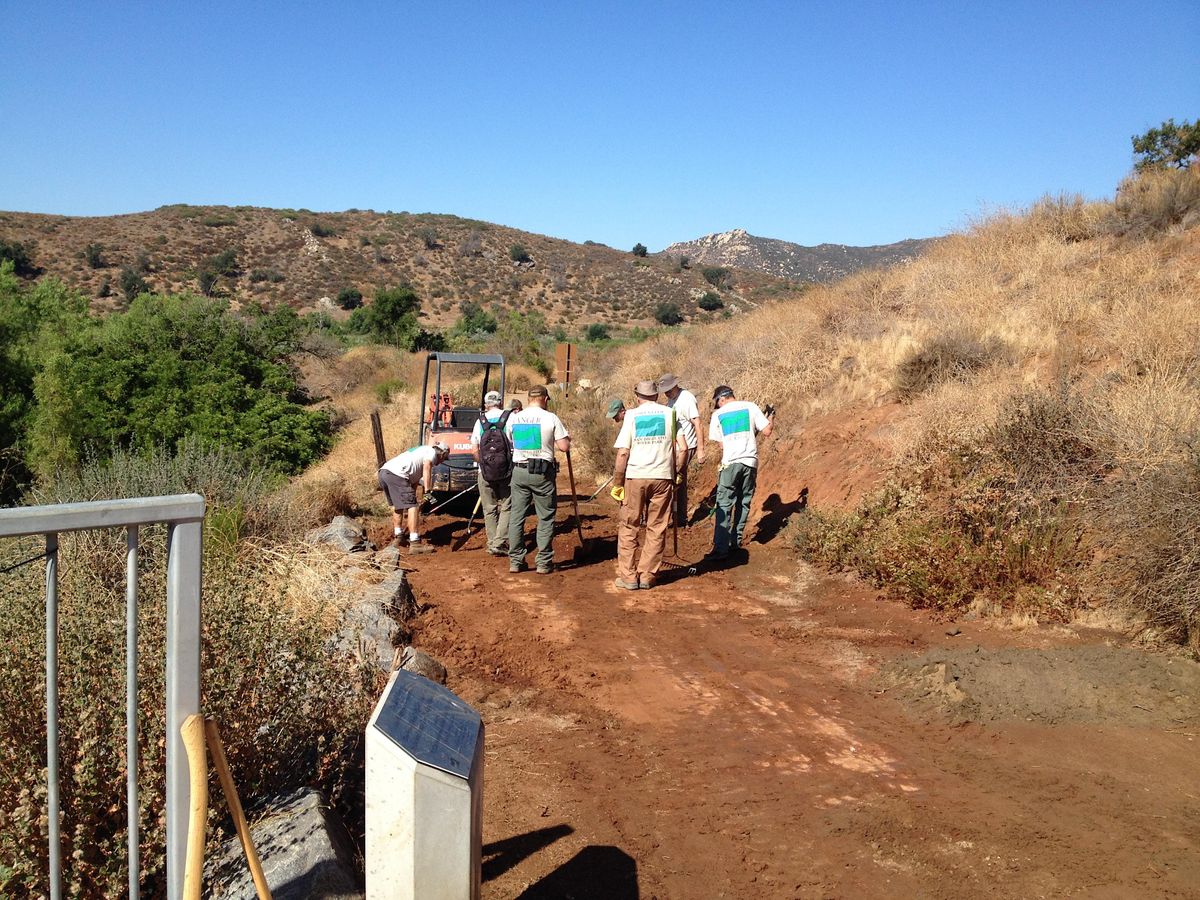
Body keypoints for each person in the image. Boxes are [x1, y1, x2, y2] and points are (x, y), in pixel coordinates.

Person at [611, 381, 688, 589]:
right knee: (657, 527)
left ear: (638, 396)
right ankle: (647, 576)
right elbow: (683, 449)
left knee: (629, 526)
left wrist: (618, 483)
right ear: (657, 395)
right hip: (663, 478)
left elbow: (623, 453)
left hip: (635, 477)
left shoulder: (632, 416)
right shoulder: (670, 414)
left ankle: (628, 577)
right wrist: (677, 474)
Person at [505, 385, 570, 574]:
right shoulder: (551, 418)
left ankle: (516, 561)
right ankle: (543, 562)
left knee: (517, 516)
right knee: (546, 516)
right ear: (545, 399)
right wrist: (567, 439)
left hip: (519, 471)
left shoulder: (515, 418)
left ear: (528, 398)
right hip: (542, 473)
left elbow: (511, 440)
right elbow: (564, 446)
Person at [706, 385, 773, 560]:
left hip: (730, 462)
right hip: (750, 462)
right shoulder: (750, 406)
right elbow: (767, 431)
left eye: (717, 403)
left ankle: (721, 549)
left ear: (721, 399)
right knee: (744, 501)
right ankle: (735, 542)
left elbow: (721, 444)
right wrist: (771, 416)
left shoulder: (717, 415)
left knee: (724, 503)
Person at [378, 441, 450, 553]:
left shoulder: (420, 453)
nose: (441, 462)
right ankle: (415, 543)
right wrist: (427, 491)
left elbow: (413, 483)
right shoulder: (431, 452)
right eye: (444, 459)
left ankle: (399, 537)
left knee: (398, 506)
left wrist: (414, 498)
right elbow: (427, 467)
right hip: (397, 475)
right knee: (413, 507)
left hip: (384, 473)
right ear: (442, 454)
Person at [657, 373, 704, 525]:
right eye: (665, 390)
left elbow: (698, 423)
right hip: (675, 447)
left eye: (668, 389)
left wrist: (701, 449)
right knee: (674, 481)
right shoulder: (671, 399)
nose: (666, 393)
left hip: (686, 446)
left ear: (675, 385)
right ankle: (675, 516)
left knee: (678, 481)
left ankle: (679, 518)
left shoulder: (687, 399)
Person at [470, 390, 512, 557]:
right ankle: (500, 542)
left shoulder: (479, 421)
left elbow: (474, 449)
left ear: (486, 404)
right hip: (507, 471)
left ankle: (492, 542)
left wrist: (485, 465)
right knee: (507, 506)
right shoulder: (510, 417)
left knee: (489, 508)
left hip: (485, 472)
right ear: (501, 402)